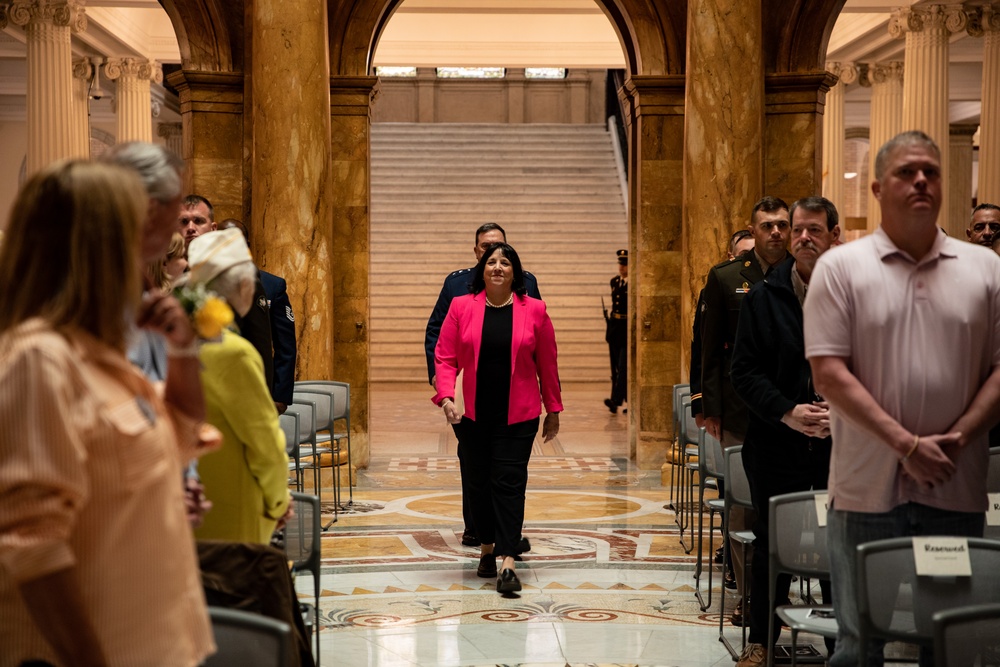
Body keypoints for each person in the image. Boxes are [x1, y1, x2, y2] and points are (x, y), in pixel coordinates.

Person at [0, 160, 214, 666]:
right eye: (140, 242)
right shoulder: (40, 359)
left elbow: (181, 434)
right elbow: (32, 543)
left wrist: (182, 349)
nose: (155, 260)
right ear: (96, 253)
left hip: (157, 644)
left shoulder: (100, 353)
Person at [805, 130, 1000, 667]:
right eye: (906, 172)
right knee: (858, 643)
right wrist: (907, 444)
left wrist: (956, 440)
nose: (920, 181)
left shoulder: (986, 269)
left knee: (951, 641)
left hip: (954, 488)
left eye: (931, 172)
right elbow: (829, 372)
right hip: (866, 494)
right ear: (876, 187)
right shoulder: (841, 268)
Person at [730, 196, 840, 667]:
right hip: (775, 443)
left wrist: (843, 411)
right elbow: (745, 372)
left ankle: (844, 643)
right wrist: (788, 412)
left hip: (840, 445)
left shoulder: (853, 293)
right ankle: (760, 640)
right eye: (798, 230)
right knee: (773, 541)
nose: (802, 238)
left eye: (814, 230)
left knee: (837, 542)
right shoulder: (762, 295)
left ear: (834, 235)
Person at [432, 242, 562, 594]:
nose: (498, 267)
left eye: (506, 262)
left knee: (509, 483)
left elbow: (547, 363)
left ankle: (507, 560)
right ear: (482, 269)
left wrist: (553, 410)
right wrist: (445, 396)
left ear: (515, 272)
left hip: (518, 415)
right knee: (478, 483)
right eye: (491, 262)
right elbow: (444, 357)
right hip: (472, 414)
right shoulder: (462, 307)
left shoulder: (534, 309)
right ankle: (486, 547)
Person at [699, 195, 791, 623]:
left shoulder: (804, 274)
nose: (775, 232)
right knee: (743, 507)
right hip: (739, 412)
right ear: (752, 231)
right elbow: (708, 348)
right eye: (767, 225)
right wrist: (708, 406)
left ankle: (777, 595)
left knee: (787, 509)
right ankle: (751, 598)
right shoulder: (726, 278)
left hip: (791, 414)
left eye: (782, 225)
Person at [425, 222, 540, 549]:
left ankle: (505, 535)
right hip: (465, 393)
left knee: (507, 468)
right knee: (475, 462)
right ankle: (476, 527)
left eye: (500, 248)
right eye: (486, 248)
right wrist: (440, 379)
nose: (494, 255)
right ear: (476, 251)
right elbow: (436, 332)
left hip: (513, 394)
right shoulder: (457, 284)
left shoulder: (527, 283)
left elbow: (536, 333)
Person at [184, 228, 293, 544]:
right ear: (245, 287)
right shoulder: (234, 353)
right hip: (231, 511)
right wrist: (278, 501)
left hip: (184, 507)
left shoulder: (172, 342)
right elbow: (265, 443)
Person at [184, 201, 276, 392]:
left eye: (198, 221)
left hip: (231, 391)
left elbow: (260, 343)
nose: (190, 228)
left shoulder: (239, 277)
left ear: (213, 227)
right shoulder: (165, 272)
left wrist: (263, 395)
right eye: (183, 221)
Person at [220, 218, 297, 414]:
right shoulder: (204, 282)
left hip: (258, 386)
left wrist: (280, 396)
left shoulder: (272, 286)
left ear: (246, 245)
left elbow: (285, 346)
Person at [604, 248, 628, 414]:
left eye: (625, 264)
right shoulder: (615, 282)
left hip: (626, 328)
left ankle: (617, 400)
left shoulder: (631, 283)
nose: (622, 267)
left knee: (623, 366)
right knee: (615, 368)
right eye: (620, 264)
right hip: (615, 329)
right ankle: (619, 398)